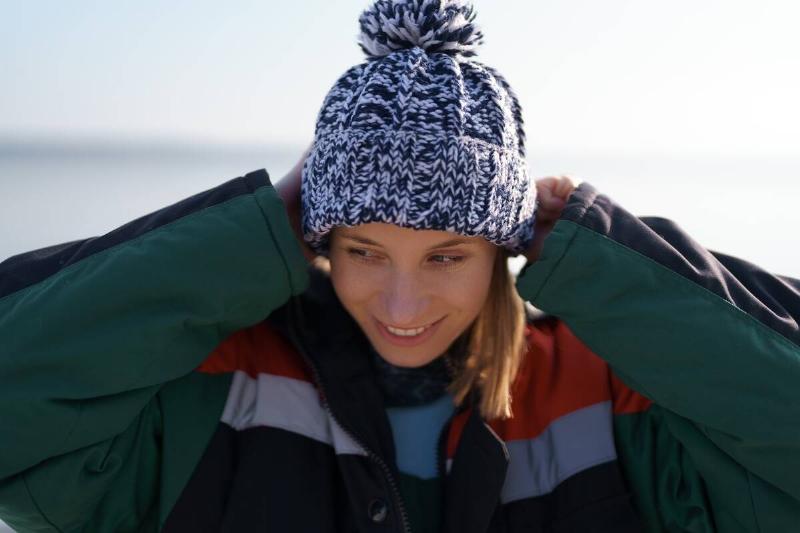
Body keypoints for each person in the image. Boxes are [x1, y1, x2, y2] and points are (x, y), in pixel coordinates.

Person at [1, 1, 799, 532]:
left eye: (447, 254)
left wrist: (602, 257)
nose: (402, 301)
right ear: (313, 240)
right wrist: (252, 232)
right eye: (364, 251)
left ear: (507, 247)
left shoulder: (606, 390)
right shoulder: (215, 385)